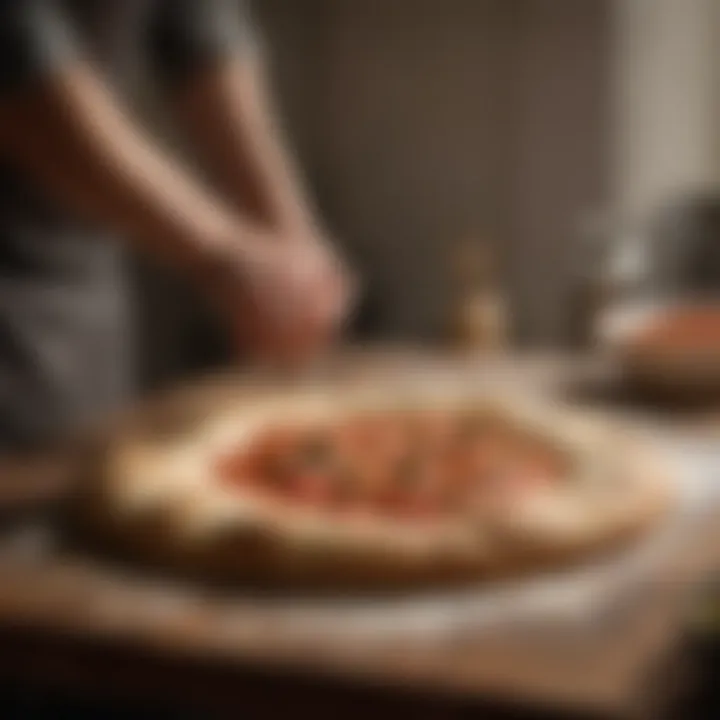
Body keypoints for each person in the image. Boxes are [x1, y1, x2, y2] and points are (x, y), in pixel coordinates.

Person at [0, 0, 354, 453]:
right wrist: (228, 254)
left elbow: (199, 27)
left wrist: (292, 241)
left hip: (79, 294)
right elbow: (17, 68)